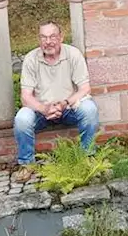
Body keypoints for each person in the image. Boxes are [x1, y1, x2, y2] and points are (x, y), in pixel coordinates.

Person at [14, 21, 99, 169]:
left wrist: (64, 103)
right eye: (43, 37)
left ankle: (88, 156)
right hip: (41, 110)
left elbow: (85, 88)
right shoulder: (31, 58)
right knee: (22, 118)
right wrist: (44, 108)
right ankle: (27, 164)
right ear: (39, 39)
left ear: (61, 37)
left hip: (69, 107)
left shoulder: (73, 54)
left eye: (52, 37)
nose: (48, 42)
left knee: (89, 109)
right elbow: (26, 96)